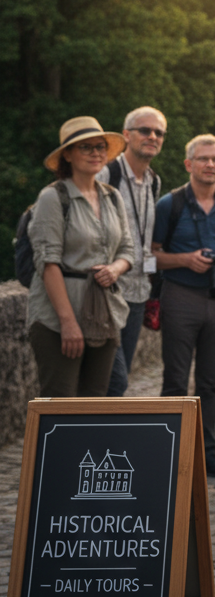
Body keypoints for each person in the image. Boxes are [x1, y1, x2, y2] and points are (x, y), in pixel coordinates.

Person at [153, 134, 215, 480]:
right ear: (188, 164)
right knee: (175, 381)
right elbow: (152, 255)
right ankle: (169, 457)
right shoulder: (170, 204)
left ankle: (209, 455)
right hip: (180, 296)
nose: (209, 164)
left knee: (209, 382)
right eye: (202, 158)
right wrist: (185, 259)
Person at [28, 118, 135, 397]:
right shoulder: (53, 198)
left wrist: (115, 269)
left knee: (95, 403)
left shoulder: (112, 197)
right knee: (61, 404)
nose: (95, 153)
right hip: (58, 318)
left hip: (104, 314)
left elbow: (127, 249)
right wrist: (68, 322)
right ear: (68, 154)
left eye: (100, 146)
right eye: (85, 147)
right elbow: (47, 263)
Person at [100, 106, 165, 397]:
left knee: (117, 378)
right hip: (106, 292)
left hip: (138, 292)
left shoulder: (154, 181)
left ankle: (105, 429)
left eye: (159, 133)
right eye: (145, 130)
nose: (153, 136)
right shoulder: (107, 173)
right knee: (114, 381)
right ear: (126, 135)